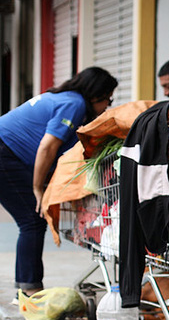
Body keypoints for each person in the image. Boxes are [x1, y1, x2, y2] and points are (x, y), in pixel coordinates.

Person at [0, 66, 117, 296]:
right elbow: (47, 146)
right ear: (95, 95)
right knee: (32, 219)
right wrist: (37, 188)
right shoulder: (75, 105)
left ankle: (27, 287)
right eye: (108, 100)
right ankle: (30, 291)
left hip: (9, 153)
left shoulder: (65, 98)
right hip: (4, 153)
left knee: (32, 220)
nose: (107, 107)